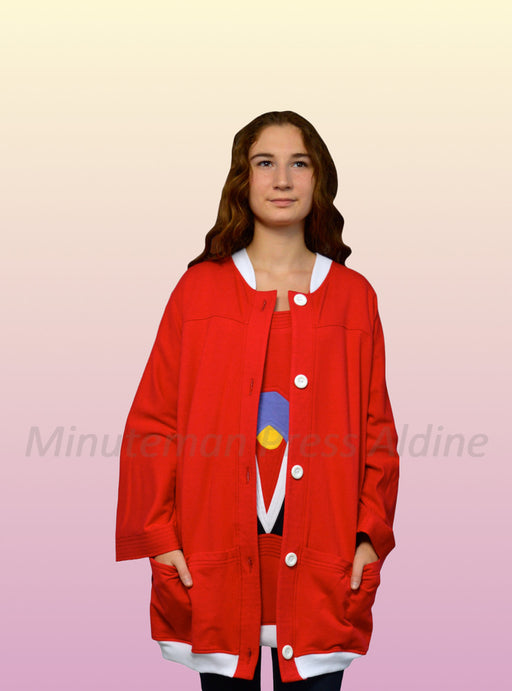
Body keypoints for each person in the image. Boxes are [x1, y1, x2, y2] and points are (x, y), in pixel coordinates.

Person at [115, 110, 400, 690]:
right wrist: (159, 539)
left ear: (319, 179)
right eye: (265, 163)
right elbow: (153, 423)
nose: (283, 180)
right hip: (213, 563)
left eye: (300, 164)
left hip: (325, 569)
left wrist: (370, 537)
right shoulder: (198, 292)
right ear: (243, 180)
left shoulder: (354, 297)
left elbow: (378, 432)